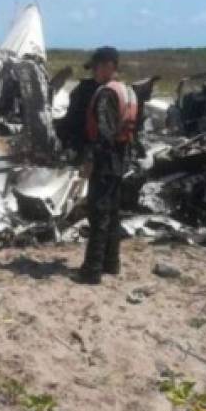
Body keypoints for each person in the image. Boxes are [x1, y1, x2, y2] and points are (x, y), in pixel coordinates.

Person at [76, 47, 138, 284]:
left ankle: (92, 270)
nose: (94, 73)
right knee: (112, 214)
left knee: (98, 213)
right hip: (120, 159)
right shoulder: (128, 91)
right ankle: (112, 263)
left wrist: (90, 160)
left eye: (96, 67)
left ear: (109, 66)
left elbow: (103, 133)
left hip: (105, 160)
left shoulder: (105, 94)